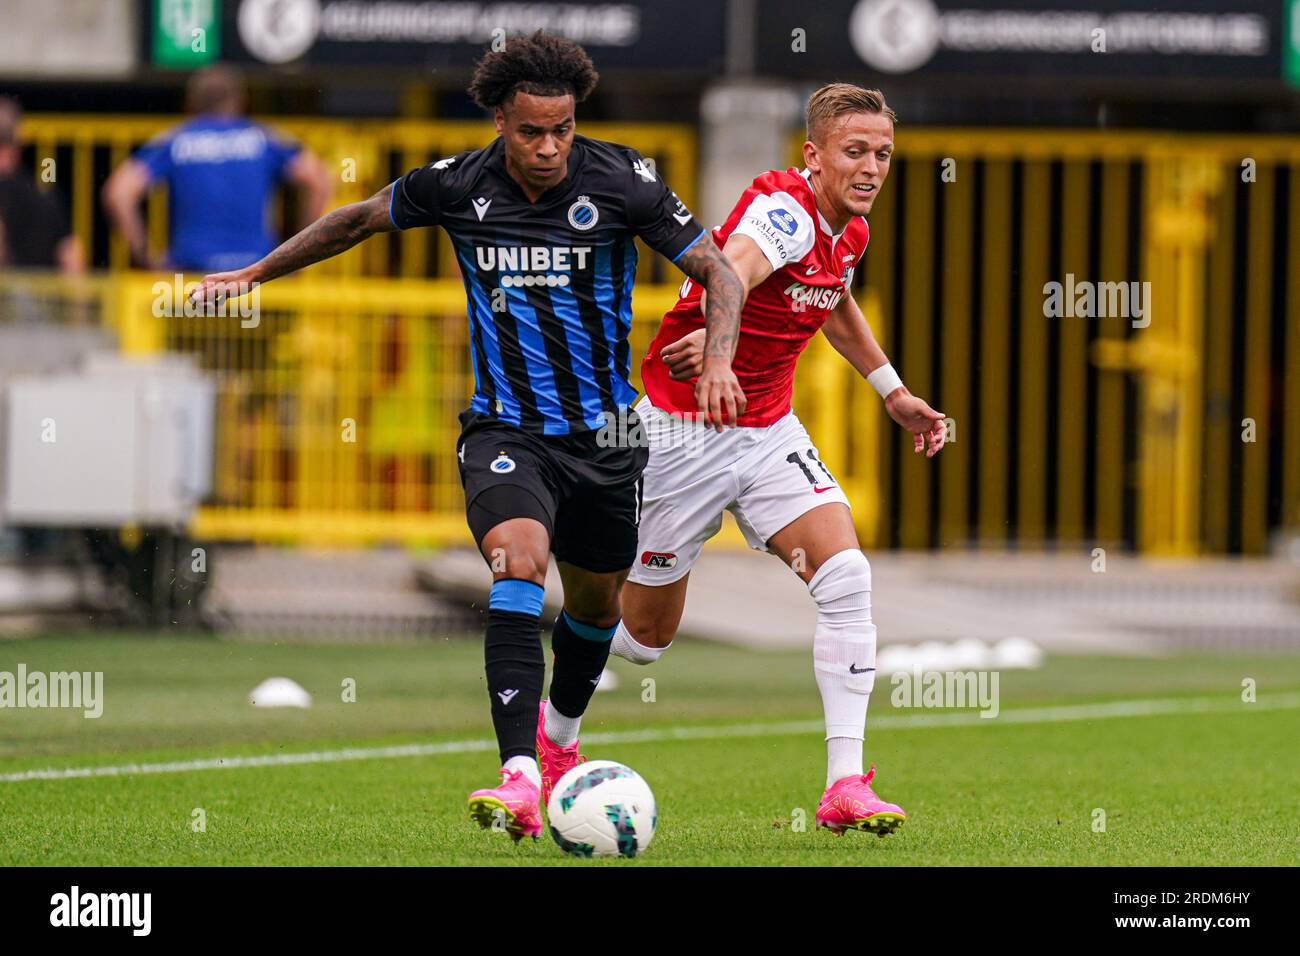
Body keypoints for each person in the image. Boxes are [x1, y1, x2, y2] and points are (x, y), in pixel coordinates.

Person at [189, 32, 746, 842]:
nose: (550, 146)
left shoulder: (623, 181)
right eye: (532, 131)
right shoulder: (455, 184)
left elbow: (721, 272)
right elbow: (351, 222)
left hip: (609, 433)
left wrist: (720, 362)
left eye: (562, 129)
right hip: (505, 428)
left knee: (594, 606)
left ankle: (559, 741)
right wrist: (251, 276)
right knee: (516, 562)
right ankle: (518, 775)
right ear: (498, 120)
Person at [607, 83, 948, 836]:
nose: (870, 167)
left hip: (766, 431)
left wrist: (891, 391)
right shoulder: (784, 209)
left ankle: (845, 785)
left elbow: (833, 300)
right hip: (682, 434)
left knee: (846, 575)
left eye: (883, 154)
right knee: (642, 644)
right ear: (813, 155)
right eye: (855, 151)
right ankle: (562, 687)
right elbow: (731, 268)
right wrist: (720, 356)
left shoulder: (848, 230)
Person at [102, 65, 331, 272]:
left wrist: (145, 256)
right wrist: (297, 255)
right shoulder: (264, 138)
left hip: (193, 276)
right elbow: (320, 181)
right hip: (257, 273)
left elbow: (118, 193)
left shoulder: (176, 140)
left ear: (191, 102)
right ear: (241, 101)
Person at [0, 97, 84, 274]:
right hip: (43, 298)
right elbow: (71, 254)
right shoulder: (45, 193)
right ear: (20, 138)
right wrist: (79, 301)